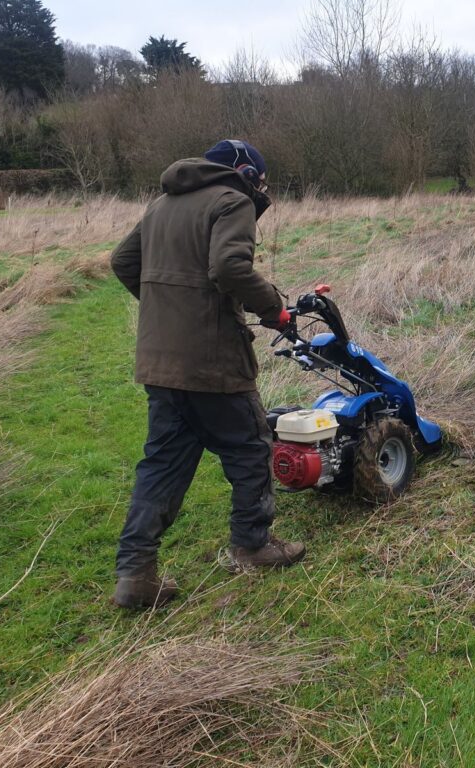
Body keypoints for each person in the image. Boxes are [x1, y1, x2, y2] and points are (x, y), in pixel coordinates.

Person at [109, 140, 306, 610]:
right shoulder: (232, 199)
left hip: (161, 361)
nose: (261, 190)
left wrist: (169, 311)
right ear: (244, 173)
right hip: (211, 360)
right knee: (250, 445)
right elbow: (229, 267)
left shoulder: (162, 203)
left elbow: (123, 262)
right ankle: (253, 545)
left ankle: (135, 573)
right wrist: (275, 310)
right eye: (260, 180)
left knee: (162, 462)